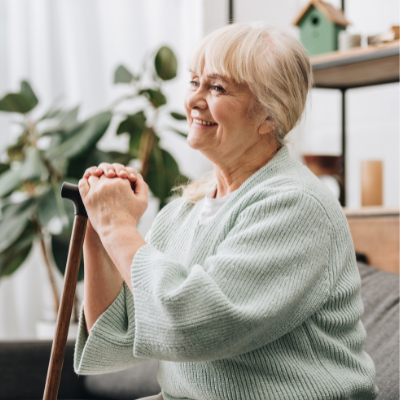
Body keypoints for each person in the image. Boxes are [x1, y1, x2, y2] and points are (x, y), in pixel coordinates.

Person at [75, 22, 378, 400]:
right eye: (194, 82)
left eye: (217, 88)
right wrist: (99, 230)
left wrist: (119, 227)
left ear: (270, 114)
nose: (194, 100)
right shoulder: (182, 213)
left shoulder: (297, 206)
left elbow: (190, 325)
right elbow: (116, 340)